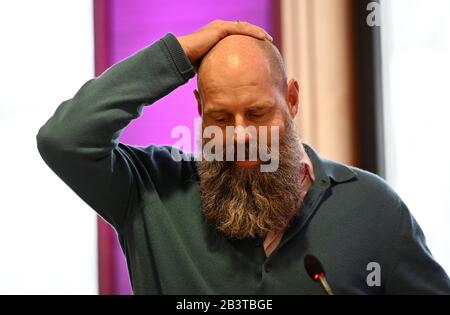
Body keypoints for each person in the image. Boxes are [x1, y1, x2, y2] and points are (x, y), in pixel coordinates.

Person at [36, 20, 450, 294]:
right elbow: (64, 139)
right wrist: (175, 55)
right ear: (199, 109)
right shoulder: (150, 194)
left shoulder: (374, 208)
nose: (240, 135)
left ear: (291, 99)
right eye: (220, 117)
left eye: (256, 113)